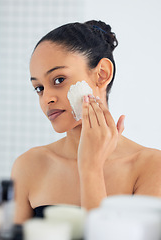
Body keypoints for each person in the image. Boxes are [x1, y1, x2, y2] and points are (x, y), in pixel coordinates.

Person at [11, 20, 161, 224]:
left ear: (102, 74)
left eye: (58, 80)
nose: (47, 99)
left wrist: (91, 169)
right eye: (39, 88)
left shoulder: (151, 167)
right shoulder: (28, 166)